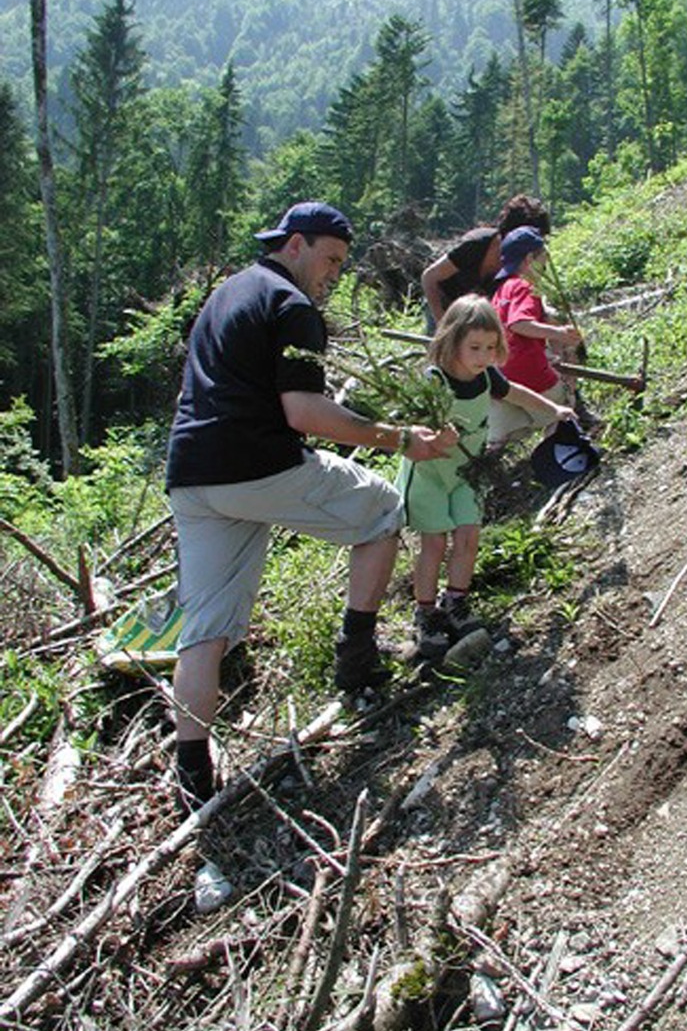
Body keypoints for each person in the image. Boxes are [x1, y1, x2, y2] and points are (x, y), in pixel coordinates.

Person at [165, 201, 457, 838]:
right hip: (256, 465)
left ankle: (191, 777)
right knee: (383, 507)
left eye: (341, 265)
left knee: (205, 628)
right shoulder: (291, 306)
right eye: (329, 259)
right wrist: (402, 438)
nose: (333, 275)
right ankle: (356, 656)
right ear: (295, 244)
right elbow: (302, 411)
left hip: (192, 475)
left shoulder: (228, 293)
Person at [397, 294, 575, 664]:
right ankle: (426, 613)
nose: (482, 356)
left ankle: (456, 601)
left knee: (468, 535)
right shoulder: (435, 379)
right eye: (474, 347)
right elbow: (412, 423)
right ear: (452, 341)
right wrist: (433, 435)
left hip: (467, 472)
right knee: (433, 543)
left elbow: (516, 392)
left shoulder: (487, 376)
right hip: (429, 475)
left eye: (491, 347)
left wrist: (553, 407)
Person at [488, 226, 583, 446]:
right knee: (562, 404)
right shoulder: (525, 286)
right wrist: (558, 333)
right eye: (543, 256)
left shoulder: (502, 290)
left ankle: (501, 457)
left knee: (503, 431)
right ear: (530, 258)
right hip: (529, 370)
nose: (546, 263)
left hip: (502, 374)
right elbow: (519, 323)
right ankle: (556, 456)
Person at [420, 194, 551, 327]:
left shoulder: (521, 264)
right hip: (441, 303)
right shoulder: (476, 244)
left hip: (475, 313)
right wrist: (441, 322)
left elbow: (528, 298)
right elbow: (429, 277)